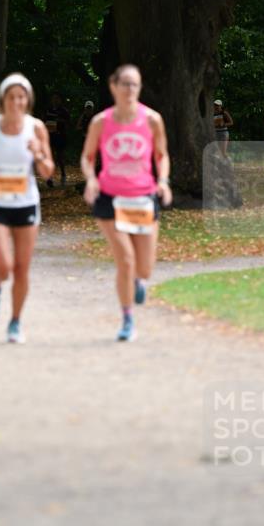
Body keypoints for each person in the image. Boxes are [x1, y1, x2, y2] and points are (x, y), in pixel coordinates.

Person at [81, 63, 172, 342]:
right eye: (125, 84)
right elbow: (88, 157)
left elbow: (161, 155)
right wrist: (91, 180)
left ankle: (139, 282)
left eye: (135, 84)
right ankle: (127, 318)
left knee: (144, 267)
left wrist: (163, 181)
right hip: (110, 198)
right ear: (113, 87)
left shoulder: (152, 119)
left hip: (143, 198)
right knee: (126, 260)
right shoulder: (101, 122)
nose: (130, 90)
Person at [0, 73, 54, 343]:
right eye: (12, 97)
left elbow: (47, 171)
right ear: (2, 100)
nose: (17, 102)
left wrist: (38, 153)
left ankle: (15, 322)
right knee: (3, 266)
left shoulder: (36, 128)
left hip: (26, 202)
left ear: (28, 100)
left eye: (21, 97)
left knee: (22, 268)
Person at [43, 91, 71, 187]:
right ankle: (49, 177)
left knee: (59, 156)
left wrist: (60, 121)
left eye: (57, 98)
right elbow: (44, 121)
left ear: (60, 100)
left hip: (60, 135)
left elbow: (69, 123)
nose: (55, 100)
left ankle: (63, 173)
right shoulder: (48, 109)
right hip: (50, 135)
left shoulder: (64, 111)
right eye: (53, 98)